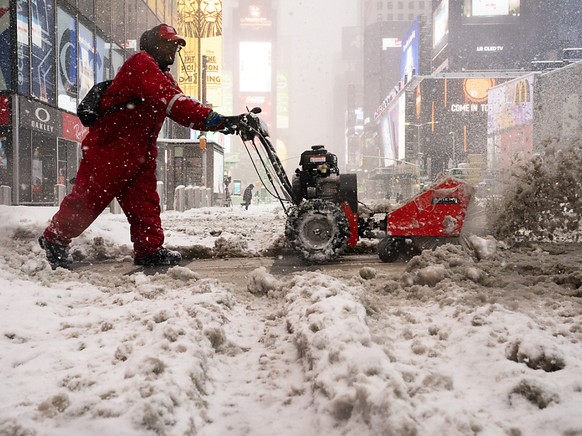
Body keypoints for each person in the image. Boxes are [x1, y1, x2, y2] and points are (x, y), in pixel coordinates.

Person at [39, 24, 236, 269]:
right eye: (167, 44)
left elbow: (182, 105)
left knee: (145, 204)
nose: (172, 50)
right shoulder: (141, 64)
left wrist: (222, 121)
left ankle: (149, 249)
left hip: (138, 152)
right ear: (152, 44)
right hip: (110, 150)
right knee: (88, 200)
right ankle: (54, 239)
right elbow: (175, 103)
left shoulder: (163, 75)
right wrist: (217, 121)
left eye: (174, 45)